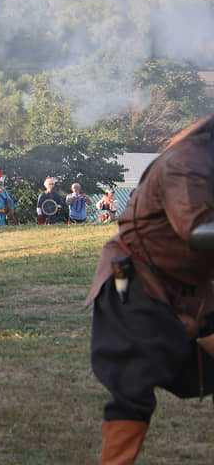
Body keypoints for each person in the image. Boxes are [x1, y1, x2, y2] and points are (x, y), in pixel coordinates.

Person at [86, 115, 214, 463]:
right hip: (139, 283)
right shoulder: (188, 161)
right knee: (133, 387)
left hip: (195, 286)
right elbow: (199, 230)